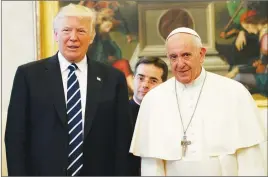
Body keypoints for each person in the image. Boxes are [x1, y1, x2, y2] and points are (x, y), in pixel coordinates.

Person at [5, 4, 133, 176]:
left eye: (81, 31)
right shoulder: (28, 76)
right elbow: (15, 137)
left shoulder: (113, 78)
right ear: (56, 35)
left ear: (92, 37)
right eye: (66, 30)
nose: (73, 37)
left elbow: (122, 139)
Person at [130, 27, 266, 176]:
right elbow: (151, 165)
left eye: (186, 55)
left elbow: (251, 161)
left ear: (201, 55)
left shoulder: (234, 92)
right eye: (173, 57)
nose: (179, 63)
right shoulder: (154, 100)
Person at [128, 56, 168, 176]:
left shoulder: (169, 115)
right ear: (134, 78)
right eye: (141, 78)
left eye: (153, 80)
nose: (145, 85)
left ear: (163, 85)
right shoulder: (118, 113)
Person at [226, 10, 268, 97]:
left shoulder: (265, 37)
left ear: (254, 22)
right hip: (263, 74)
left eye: (248, 27)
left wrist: (238, 70)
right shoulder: (263, 35)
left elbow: (263, 65)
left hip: (265, 79)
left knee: (237, 78)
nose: (248, 31)